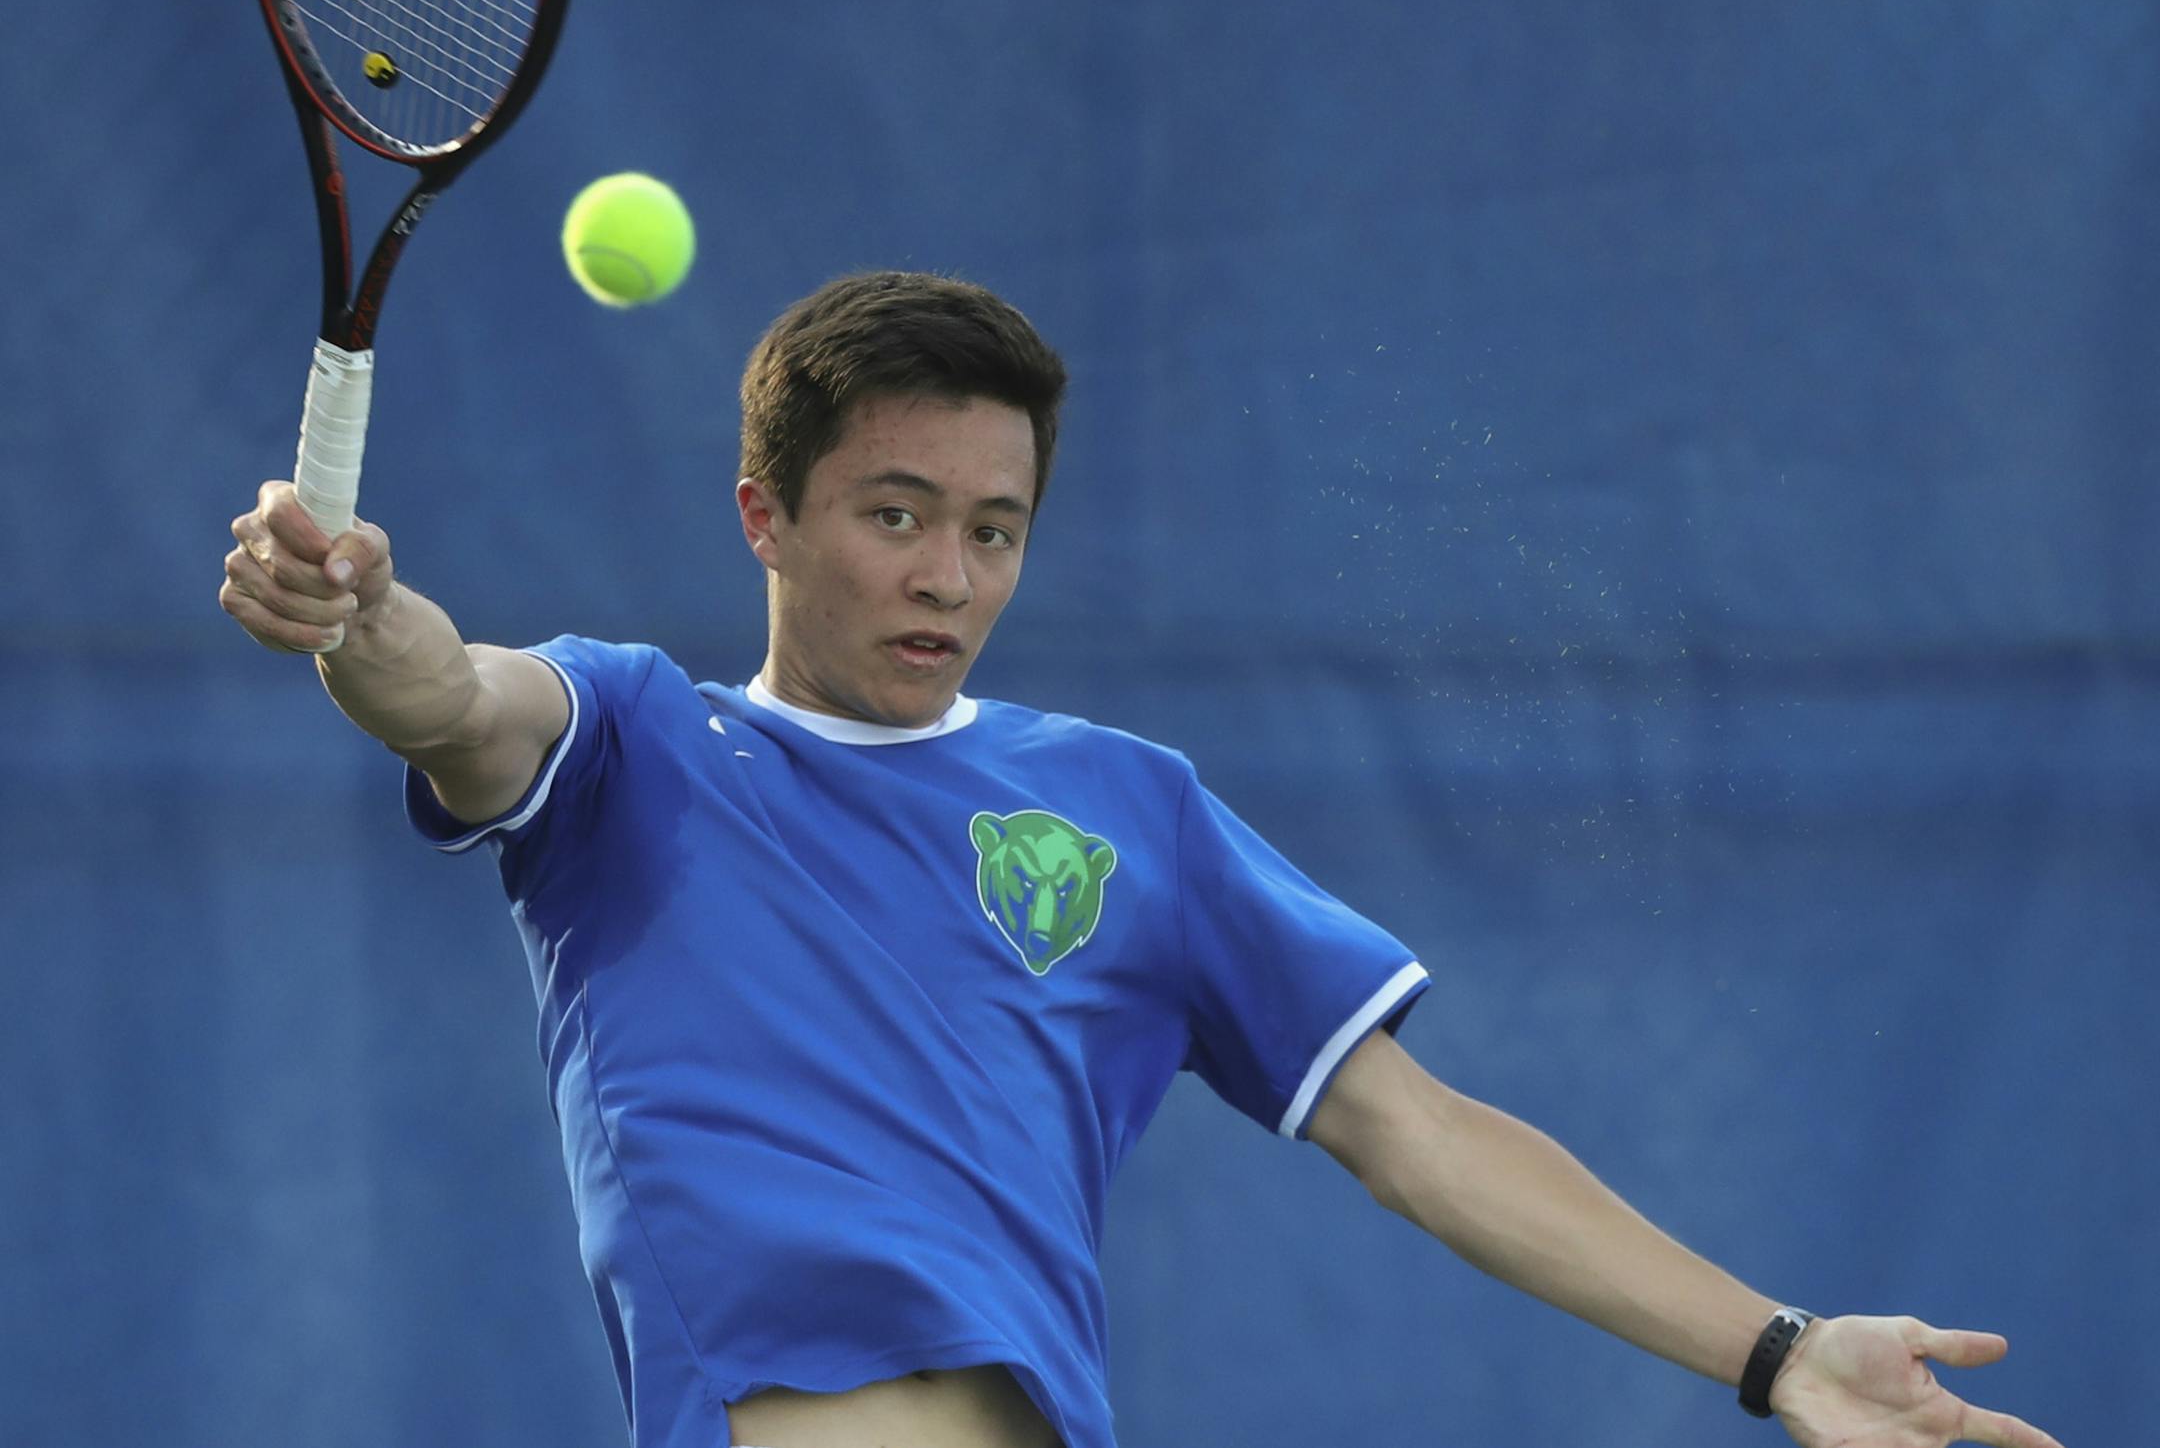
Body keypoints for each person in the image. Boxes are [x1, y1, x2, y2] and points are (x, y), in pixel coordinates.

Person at [221, 271, 2061, 1448]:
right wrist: (356, 611)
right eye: (894, 515)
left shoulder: (1131, 807)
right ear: (763, 517)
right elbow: (453, 696)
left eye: (995, 527)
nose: (950, 575)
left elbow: (1416, 1133)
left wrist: (1778, 1346)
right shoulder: (636, 741)